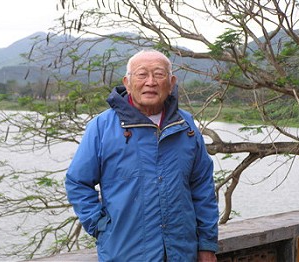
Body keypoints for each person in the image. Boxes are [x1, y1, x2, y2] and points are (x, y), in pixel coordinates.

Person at [65, 50, 219, 262]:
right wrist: (102, 227)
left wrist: (207, 244)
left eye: (158, 74)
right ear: (127, 82)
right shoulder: (102, 127)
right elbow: (77, 182)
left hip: (182, 253)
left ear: (171, 82)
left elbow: (202, 186)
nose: (150, 82)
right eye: (141, 74)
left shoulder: (185, 126)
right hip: (125, 253)